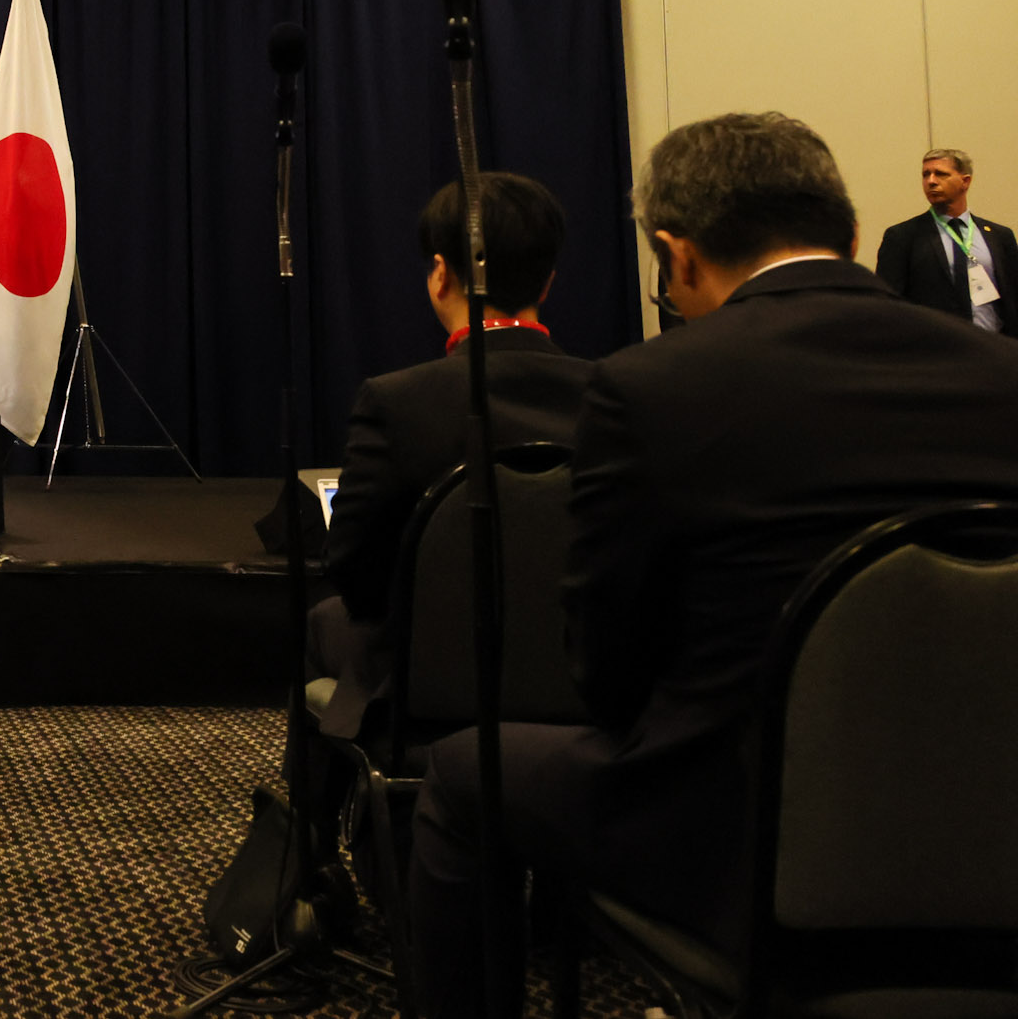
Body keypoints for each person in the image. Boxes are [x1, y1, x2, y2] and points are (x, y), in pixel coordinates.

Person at [408, 112, 1018, 1019]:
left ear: (676, 255)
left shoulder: (653, 389)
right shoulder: (1004, 374)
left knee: (465, 774)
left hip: (746, 846)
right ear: (851, 236)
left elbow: (607, 675)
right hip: (994, 823)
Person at [310, 173, 593, 742]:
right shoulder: (618, 395)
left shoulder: (395, 401)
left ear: (441, 274)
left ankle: (325, 816)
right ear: (550, 280)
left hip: (434, 675)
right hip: (584, 666)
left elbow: (351, 565)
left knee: (324, 621)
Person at [874, 147, 1015, 331]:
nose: (931, 181)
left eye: (940, 174)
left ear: (965, 181)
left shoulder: (999, 236)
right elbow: (888, 304)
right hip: (936, 351)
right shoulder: (903, 237)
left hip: (994, 347)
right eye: (926, 175)